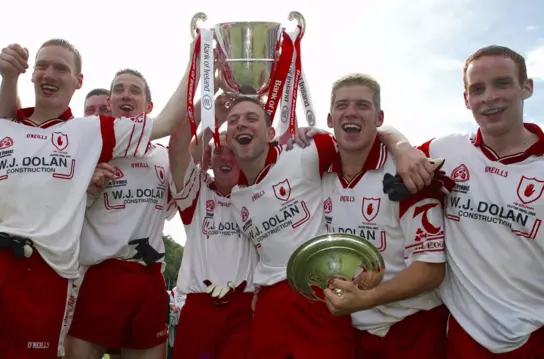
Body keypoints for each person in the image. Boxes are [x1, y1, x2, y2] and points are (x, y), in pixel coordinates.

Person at [0, 38, 193, 359]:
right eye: (42, 66)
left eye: (61, 68)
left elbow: (167, 122)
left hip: (41, 272)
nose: (49, 74)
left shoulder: (92, 131)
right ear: (32, 74)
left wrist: (198, 56)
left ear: (78, 81)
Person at [224, 93, 427, 358]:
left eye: (252, 118)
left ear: (271, 132)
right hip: (270, 309)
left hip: (320, 297)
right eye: (233, 121)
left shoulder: (304, 153)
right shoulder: (237, 198)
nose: (241, 124)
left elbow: (366, 133)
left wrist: (402, 147)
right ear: (227, 138)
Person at [0, 64, 176, 359]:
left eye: (134, 90)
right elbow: (13, 124)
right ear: (110, 103)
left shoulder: (163, 157)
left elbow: (182, 152)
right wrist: (88, 189)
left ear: (149, 105)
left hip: (147, 277)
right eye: (118, 89)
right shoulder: (85, 148)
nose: (125, 95)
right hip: (94, 276)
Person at [385, 45, 544, 358]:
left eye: (502, 83)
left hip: (534, 336)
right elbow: (383, 131)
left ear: (527, 88)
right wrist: (402, 147)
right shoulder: (448, 151)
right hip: (464, 336)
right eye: (477, 89)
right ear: (466, 99)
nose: (489, 97)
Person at [295, 73, 451, 358]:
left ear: (379, 118)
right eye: (342, 105)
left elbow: (431, 270)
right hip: (349, 332)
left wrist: (367, 299)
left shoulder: (406, 174)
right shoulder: (317, 170)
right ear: (330, 120)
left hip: (411, 329)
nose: (351, 112)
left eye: (362, 105)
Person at [168, 92, 257, 359]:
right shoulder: (197, 192)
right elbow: (177, 148)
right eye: (219, 150)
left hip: (245, 306)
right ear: (209, 157)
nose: (226, 158)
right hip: (199, 305)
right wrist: (211, 117)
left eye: (233, 151)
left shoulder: (260, 192)